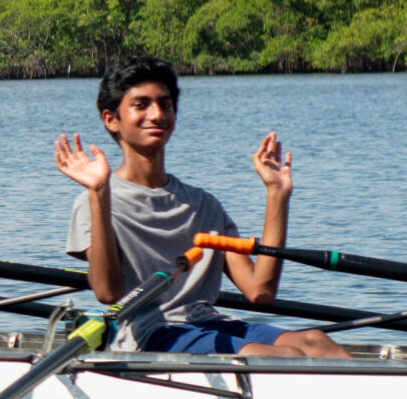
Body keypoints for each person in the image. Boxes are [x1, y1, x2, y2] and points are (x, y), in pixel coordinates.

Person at [54, 57, 347, 358]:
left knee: (317, 342)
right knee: (286, 357)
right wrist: (98, 192)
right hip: (149, 333)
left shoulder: (203, 204)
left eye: (165, 105)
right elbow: (107, 293)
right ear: (111, 119)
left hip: (207, 322)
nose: (156, 114)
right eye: (141, 105)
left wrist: (277, 193)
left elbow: (260, 292)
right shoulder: (95, 200)